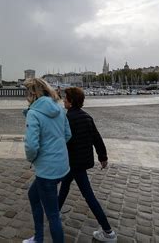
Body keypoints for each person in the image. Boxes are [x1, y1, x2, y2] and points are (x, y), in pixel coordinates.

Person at [59, 87, 117, 242]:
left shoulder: (67, 119)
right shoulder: (87, 117)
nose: (63, 100)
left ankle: (108, 232)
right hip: (82, 160)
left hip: (74, 162)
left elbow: (62, 142)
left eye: (65, 98)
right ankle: (55, 212)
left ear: (71, 102)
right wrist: (102, 156)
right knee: (65, 184)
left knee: (89, 195)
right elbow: (96, 138)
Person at [22, 78, 71, 243]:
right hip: (62, 166)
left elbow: (31, 146)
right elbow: (67, 135)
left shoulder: (33, 113)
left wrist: (33, 159)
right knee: (33, 195)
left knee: (53, 215)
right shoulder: (59, 108)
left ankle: (40, 238)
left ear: (32, 93)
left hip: (47, 171)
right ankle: (38, 237)